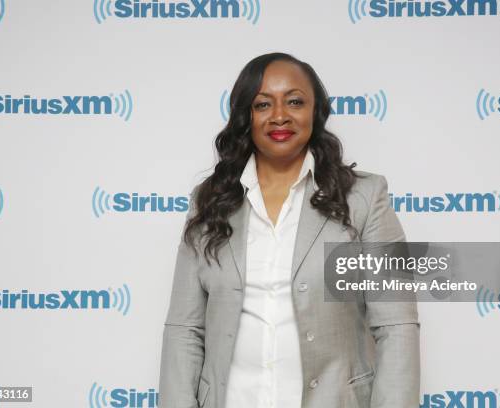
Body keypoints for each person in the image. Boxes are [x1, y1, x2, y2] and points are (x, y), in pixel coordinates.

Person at [158, 52, 420, 408]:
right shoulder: (210, 201)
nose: (279, 115)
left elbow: (396, 325)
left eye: (295, 101)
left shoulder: (363, 197)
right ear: (244, 116)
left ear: (316, 111)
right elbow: (185, 329)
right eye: (263, 104)